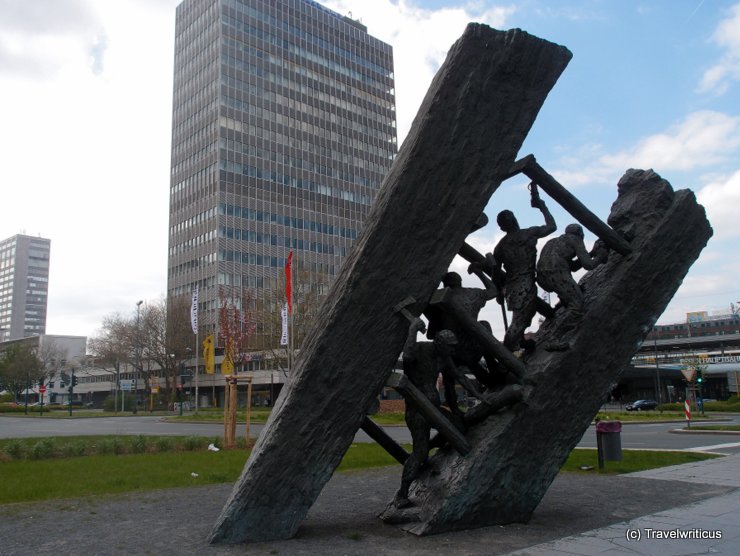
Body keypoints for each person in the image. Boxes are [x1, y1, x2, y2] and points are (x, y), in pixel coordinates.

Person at [492, 188, 556, 351]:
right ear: (514, 220)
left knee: (536, 312)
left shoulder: (500, 246)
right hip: (525, 284)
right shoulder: (529, 233)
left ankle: (524, 341)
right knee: (518, 323)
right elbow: (551, 226)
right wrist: (542, 207)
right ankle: (505, 356)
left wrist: (499, 291)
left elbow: (496, 273)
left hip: (512, 288)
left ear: (501, 228)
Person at [536, 223, 606, 313]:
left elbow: (573, 267)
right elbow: (589, 265)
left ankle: (565, 298)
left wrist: (592, 253)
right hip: (557, 274)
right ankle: (569, 326)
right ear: (581, 234)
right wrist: (600, 256)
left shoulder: (552, 242)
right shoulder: (575, 239)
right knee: (578, 304)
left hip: (542, 278)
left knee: (572, 295)